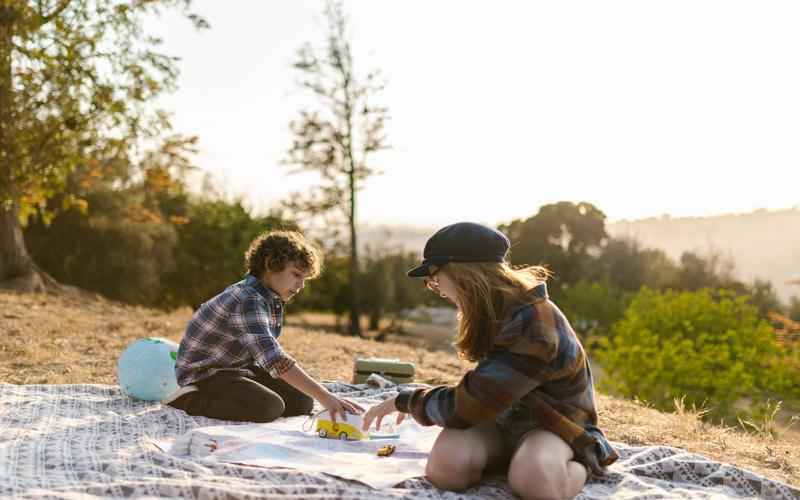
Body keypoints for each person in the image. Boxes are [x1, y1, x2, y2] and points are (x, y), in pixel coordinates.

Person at [362, 222, 618, 500]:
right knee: (446, 468)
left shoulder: (533, 326)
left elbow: (470, 405)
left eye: (435, 278)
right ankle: (513, 461)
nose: (437, 289)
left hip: (553, 425)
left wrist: (408, 400)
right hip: (503, 418)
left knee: (533, 480)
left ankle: (584, 462)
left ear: (462, 274)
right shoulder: (495, 311)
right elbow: (482, 397)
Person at [164, 230, 362, 423]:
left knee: (302, 402)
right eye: (296, 275)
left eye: (304, 279)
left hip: (237, 369)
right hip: (206, 373)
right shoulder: (247, 299)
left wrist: (318, 394)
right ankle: (189, 400)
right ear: (270, 264)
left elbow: (266, 358)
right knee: (268, 407)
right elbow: (275, 360)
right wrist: (326, 397)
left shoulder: (270, 298)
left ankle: (241, 394)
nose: (301, 285)